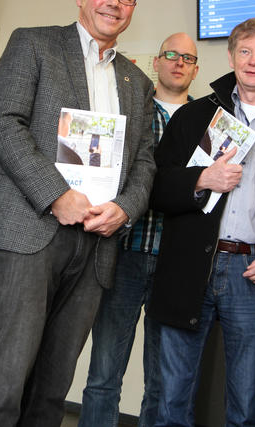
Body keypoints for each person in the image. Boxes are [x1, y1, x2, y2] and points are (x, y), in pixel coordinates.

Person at [0, 0, 155, 427]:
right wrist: (56, 194)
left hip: (95, 246)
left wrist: (124, 209)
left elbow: (145, 160)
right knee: (3, 378)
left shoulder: (138, 82)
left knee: (53, 385)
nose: (114, 3)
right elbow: (5, 123)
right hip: (27, 228)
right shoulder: (35, 44)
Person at [148, 18, 255, 426]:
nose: (253, 61)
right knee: (172, 398)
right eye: (244, 51)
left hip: (254, 272)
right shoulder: (194, 116)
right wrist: (201, 179)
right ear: (230, 57)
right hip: (191, 267)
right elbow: (155, 188)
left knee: (246, 405)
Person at [79, 32, 199, 427]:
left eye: (187, 57)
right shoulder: (129, 112)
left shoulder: (208, 123)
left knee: (163, 383)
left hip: (175, 264)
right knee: (103, 375)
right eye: (170, 54)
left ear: (196, 69)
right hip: (124, 254)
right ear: (156, 64)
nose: (179, 62)